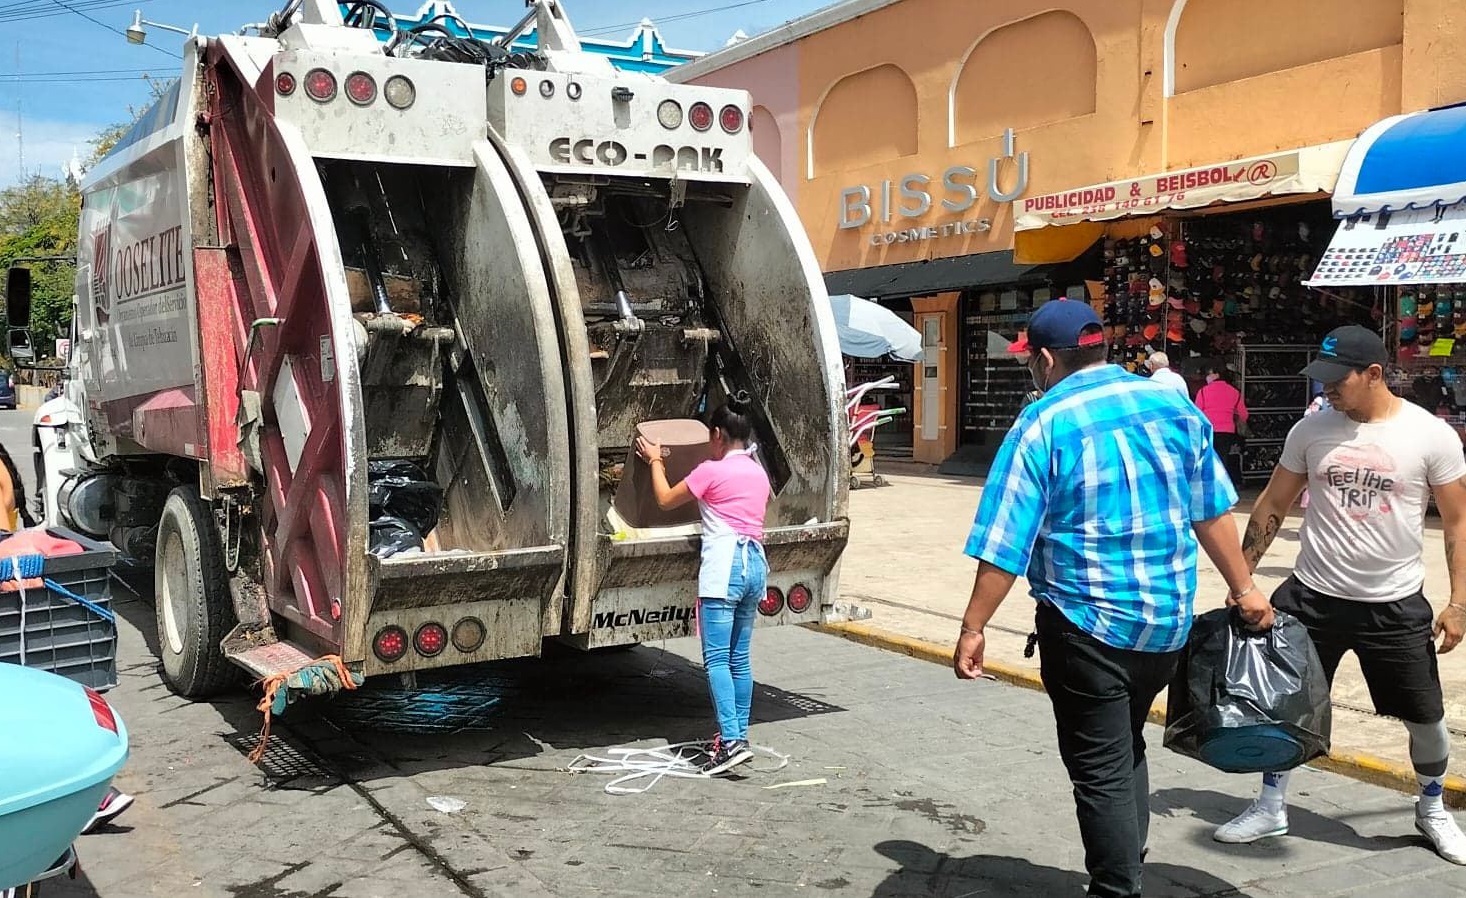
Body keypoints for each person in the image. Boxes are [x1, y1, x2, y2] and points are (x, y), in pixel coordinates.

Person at [956, 300, 1272, 898]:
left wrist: (974, 625)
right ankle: (1130, 854)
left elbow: (1004, 542)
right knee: (1124, 743)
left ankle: (1116, 887)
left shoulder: (1042, 423)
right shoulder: (1173, 406)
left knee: (1099, 769)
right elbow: (1212, 511)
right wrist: (1245, 588)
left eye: (1032, 362)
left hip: (1087, 627)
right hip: (1167, 627)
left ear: (1046, 359)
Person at [1214, 325, 1466, 864]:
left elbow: (1457, 523)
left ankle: (1431, 808)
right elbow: (1272, 505)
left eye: (1337, 379)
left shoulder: (1431, 436)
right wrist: (1244, 582)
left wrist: (1459, 603)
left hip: (1394, 604)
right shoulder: (1312, 431)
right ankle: (1271, 803)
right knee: (1283, 707)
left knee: (1424, 716)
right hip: (1312, 597)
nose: (1326, 389)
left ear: (1374, 373)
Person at [635, 394, 771, 775]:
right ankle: (737, 736)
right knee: (739, 659)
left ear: (716, 435)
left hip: (724, 568)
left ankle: (731, 741)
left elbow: (664, 500)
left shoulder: (711, 471)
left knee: (715, 661)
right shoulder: (757, 472)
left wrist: (657, 461)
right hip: (755, 566)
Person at [1194, 366, 1248, 485]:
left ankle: (1208, 483)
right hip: (1227, 431)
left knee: (1208, 457)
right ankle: (1221, 485)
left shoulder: (1203, 391)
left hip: (1209, 429)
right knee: (1223, 457)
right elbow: (1243, 414)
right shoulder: (1234, 392)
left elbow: (1197, 413)